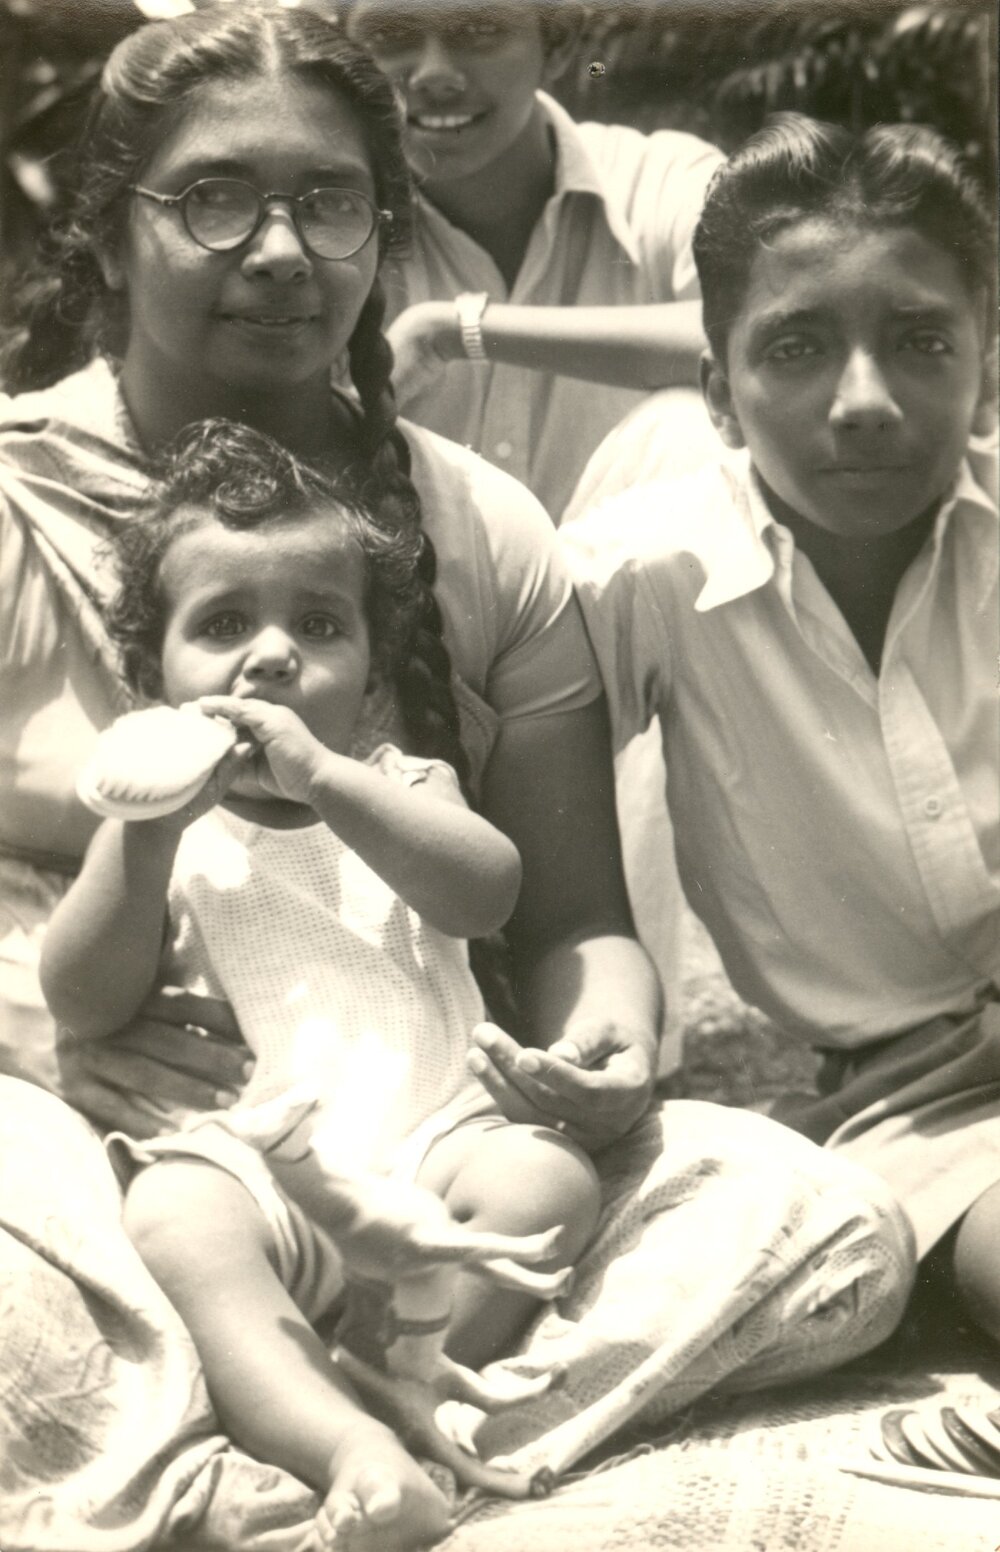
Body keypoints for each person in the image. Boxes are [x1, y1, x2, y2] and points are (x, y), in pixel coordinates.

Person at [0, 12, 913, 1548]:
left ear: (383, 233)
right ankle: (378, 1446)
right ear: (107, 233)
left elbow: (567, 919)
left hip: (419, 1120)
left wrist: (611, 1046)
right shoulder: (19, 501)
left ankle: (286, 1443)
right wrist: (48, 1035)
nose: (283, 249)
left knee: (817, 1220)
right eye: (215, 199)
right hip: (99, 1137)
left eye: (333, 202)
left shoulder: (477, 527)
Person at [40, 419, 602, 1546]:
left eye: (319, 625)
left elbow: (484, 891)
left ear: (375, 678)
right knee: (175, 1215)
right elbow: (82, 999)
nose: (271, 655)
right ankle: (342, 1442)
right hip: (264, 1158)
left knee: (548, 1182)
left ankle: (403, 1371)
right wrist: (144, 832)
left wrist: (331, 779)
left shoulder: (402, 781)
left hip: (436, 1132)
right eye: (224, 626)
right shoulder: (154, 830)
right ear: (153, 680)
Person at [565, 114, 999, 1450]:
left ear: (984, 365)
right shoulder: (638, 578)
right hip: (925, 1104)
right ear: (714, 388)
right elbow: (514, 861)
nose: (863, 400)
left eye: (922, 342)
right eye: (798, 348)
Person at [339, 0, 725, 527]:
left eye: (479, 29)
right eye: (392, 34)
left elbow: (754, 327)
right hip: (417, 595)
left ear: (559, 46)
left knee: (687, 424)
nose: (434, 75)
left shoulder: (662, 181)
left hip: (631, 597)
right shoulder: (328, 222)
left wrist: (452, 331)